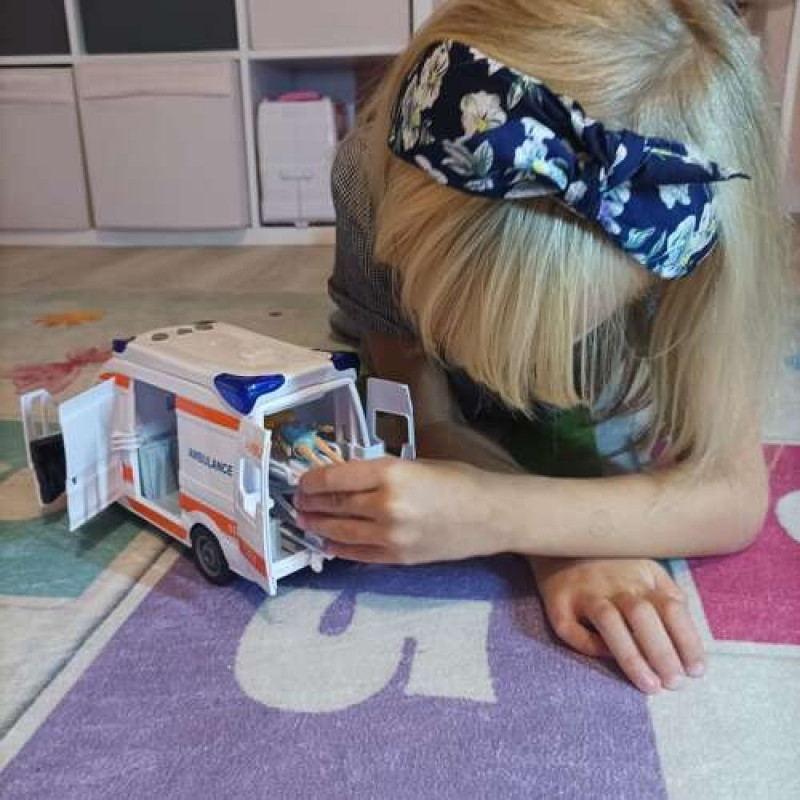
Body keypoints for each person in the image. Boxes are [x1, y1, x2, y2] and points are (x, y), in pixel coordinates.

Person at [296, 0, 791, 694]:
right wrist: (557, 542)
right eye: (427, 285)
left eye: (539, 336)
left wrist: (499, 516)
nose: (463, 347)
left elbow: (733, 495)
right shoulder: (369, 169)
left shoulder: (690, 220)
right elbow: (419, 405)